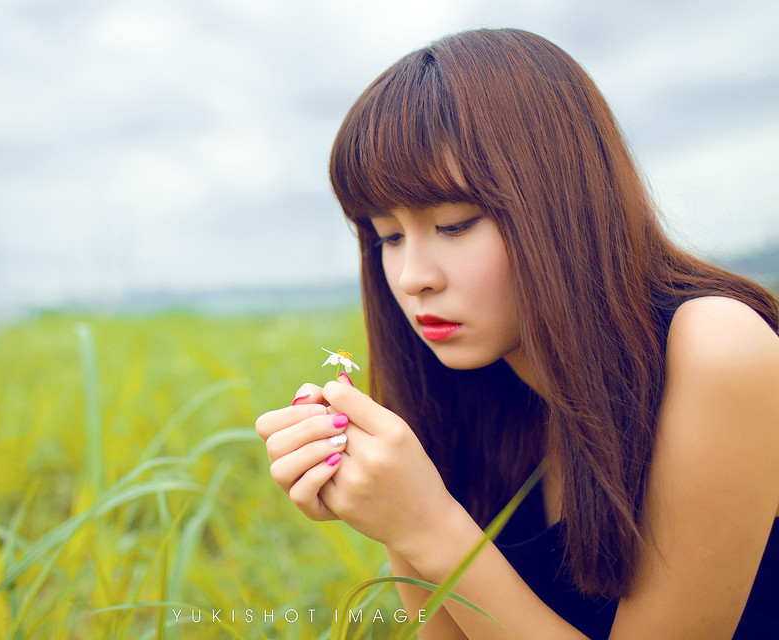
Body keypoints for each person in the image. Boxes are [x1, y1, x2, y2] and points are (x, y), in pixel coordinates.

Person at [255, 28, 779, 639]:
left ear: (560, 203)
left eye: (454, 224)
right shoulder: (464, 389)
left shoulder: (720, 348)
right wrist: (394, 517)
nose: (412, 277)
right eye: (386, 237)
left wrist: (430, 526)